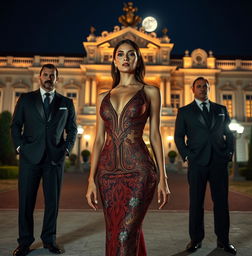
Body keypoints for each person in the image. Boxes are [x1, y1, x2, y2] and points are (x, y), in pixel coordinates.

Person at [86, 39, 170, 256]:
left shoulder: (150, 91)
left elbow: (155, 135)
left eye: (131, 54)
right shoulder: (102, 96)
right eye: (121, 54)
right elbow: (97, 140)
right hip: (107, 175)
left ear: (137, 59)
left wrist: (163, 178)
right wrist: (90, 181)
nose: (125, 58)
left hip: (139, 172)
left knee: (126, 233)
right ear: (114, 61)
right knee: (114, 232)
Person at [11, 64, 77, 256]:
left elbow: (72, 129)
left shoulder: (66, 102)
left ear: (57, 79)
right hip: (29, 157)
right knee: (25, 202)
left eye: (52, 75)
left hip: (54, 159)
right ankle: (24, 242)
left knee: (52, 203)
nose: (49, 78)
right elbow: (15, 126)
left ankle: (49, 240)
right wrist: (20, 147)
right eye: (46, 75)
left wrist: (66, 149)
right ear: (40, 77)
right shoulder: (26, 99)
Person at [174, 77, 237, 255]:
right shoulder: (185, 111)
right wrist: (187, 155)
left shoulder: (221, 109)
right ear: (193, 89)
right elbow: (179, 137)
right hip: (197, 164)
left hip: (218, 162)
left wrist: (229, 153)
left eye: (205, 86)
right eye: (199, 86)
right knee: (196, 203)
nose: (202, 89)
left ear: (209, 89)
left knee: (222, 203)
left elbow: (229, 134)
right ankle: (195, 239)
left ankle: (224, 240)